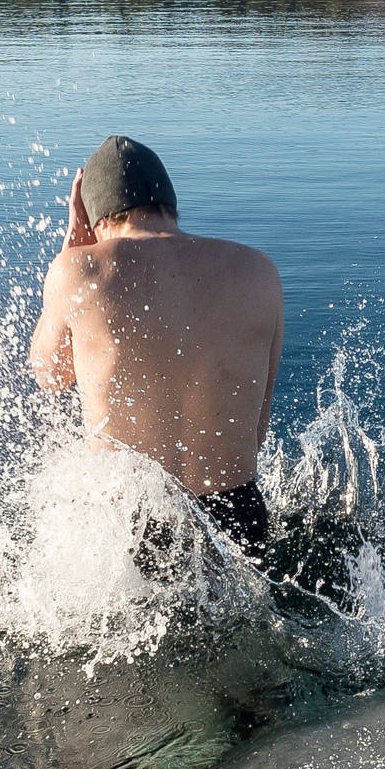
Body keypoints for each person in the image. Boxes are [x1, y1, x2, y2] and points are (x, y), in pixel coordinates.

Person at [28, 135, 284, 557]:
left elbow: (50, 376)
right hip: (240, 516)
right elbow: (256, 432)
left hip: (132, 522)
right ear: (170, 203)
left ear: (95, 219)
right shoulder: (259, 271)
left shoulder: (78, 269)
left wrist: (73, 244)